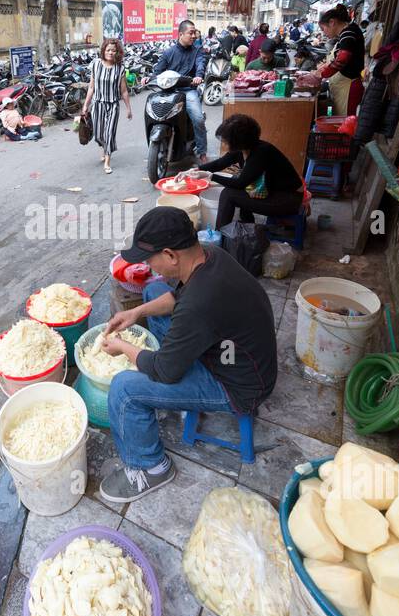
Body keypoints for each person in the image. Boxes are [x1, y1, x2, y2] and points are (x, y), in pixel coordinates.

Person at [97, 207, 277, 502]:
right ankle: (175, 362)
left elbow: (166, 370)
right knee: (154, 294)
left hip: (238, 385)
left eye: (149, 259)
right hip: (239, 354)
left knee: (124, 389)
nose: (149, 267)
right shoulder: (208, 255)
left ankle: (151, 468)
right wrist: (134, 313)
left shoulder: (200, 301)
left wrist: (124, 348)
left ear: (170, 255)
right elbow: (178, 298)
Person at [199, 113, 304, 230]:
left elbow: (240, 183)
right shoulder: (243, 148)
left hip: (288, 199)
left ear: (238, 141)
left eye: (226, 140)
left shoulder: (261, 153)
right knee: (240, 184)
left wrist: (210, 176)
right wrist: (195, 170)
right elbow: (219, 164)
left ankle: (220, 235)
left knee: (229, 194)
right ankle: (248, 224)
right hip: (274, 190)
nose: (223, 143)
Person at [151, 19, 207, 157]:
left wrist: (198, 76)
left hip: (188, 90)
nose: (194, 36)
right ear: (181, 34)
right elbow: (158, 71)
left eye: (195, 33)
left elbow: (201, 64)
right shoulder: (168, 52)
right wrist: (149, 78)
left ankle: (202, 152)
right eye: (191, 33)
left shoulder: (198, 50)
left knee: (198, 119)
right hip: (169, 91)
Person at [81, 37, 131, 173]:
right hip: (97, 105)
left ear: (117, 52)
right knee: (98, 135)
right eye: (108, 50)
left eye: (113, 51)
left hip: (113, 105)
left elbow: (124, 91)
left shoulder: (120, 68)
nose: (110, 52)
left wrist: (128, 109)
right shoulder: (95, 64)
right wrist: (86, 105)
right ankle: (104, 147)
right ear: (103, 51)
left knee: (109, 133)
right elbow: (91, 88)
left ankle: (107, 162)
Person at [319, 3, 366, 115]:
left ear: (332, 22)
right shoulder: (346, 33)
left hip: (349, 88)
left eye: (323, 28)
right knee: (339, 123)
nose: (323, 33)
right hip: (343, 87)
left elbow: (343, 58)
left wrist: (322, 74)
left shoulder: (349, 32)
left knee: (346, 124)